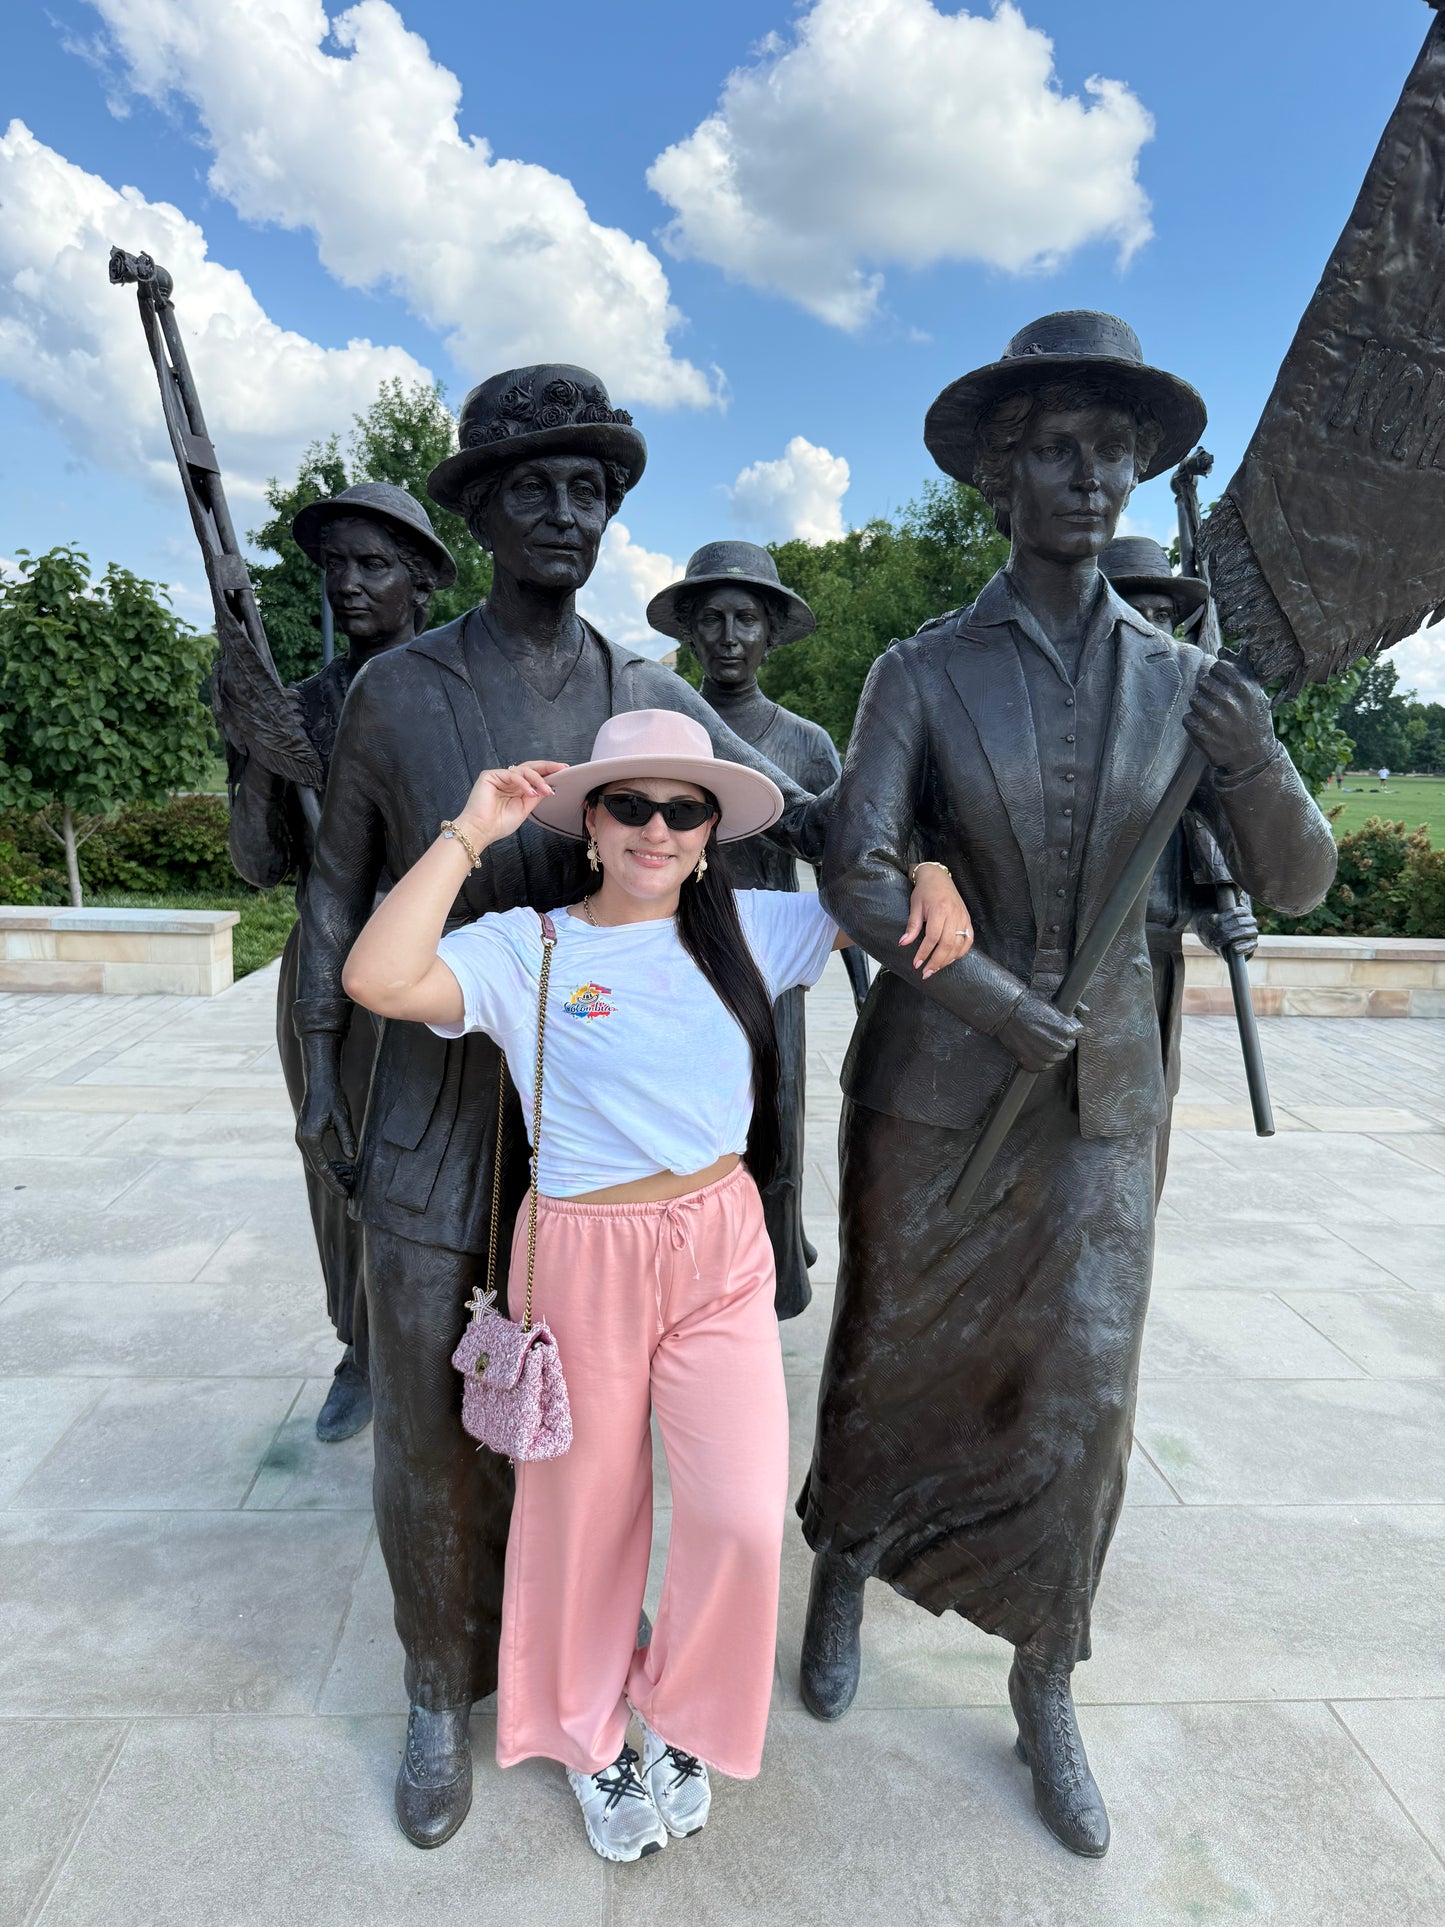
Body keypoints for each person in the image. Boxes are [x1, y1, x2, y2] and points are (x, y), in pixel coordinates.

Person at [292, 365, 970, 1848]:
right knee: (430, 1410)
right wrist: (323, 1101)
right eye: (531, 484)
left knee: (602, 1463)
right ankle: (433, 1681)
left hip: (623, 1148)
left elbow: (809, 856)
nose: (563, 510)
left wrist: (916, 858)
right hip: (437, 1103)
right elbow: (334, 901)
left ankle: (614, 1685)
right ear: (477, 509)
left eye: (588, 487)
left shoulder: (647, 699)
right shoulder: (395, 690)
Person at [797, 311, 1338, 1859]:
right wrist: (980, 991)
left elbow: (1294, 883)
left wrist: (1260, 760)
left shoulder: (1189, 681)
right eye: (1058, 449)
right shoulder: (922, 667)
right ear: (997, 475)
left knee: (1083, 1394)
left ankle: (1046, 1671)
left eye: (1116, 452)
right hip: (941, 1087)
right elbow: (857, 869)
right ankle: (847, 1557)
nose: (1091, 476)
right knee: (891, 1348)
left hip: (1105, 1100)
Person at [228, 482, 455, 1440]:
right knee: (338, 1161)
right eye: (336, 567)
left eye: (375, 565)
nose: (349, 586)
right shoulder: (302, 709)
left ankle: (452, 1342)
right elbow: (259, 862)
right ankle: (361, 1348)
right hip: (324, 968)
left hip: (442, 963)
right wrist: (252, 752)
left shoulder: (451, 691)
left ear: (420, 582)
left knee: (453, 1161)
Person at [649, 542, 872, 1318]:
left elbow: (846, 857)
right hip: (676, 962)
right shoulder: (666, 727)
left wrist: (859, 973)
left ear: (772, 633)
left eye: (747, 618)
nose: (729, 634)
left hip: (772, 960)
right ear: (688, 633)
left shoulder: (806, 742)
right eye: (710, 619)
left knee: (771, 1125)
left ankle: (779, 1277)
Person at [1097, 535, 1259, 1196]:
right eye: (1136, 612)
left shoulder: (1186, 727)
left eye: (1165, 615)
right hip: (1063, 969)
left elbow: (1204, 848)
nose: (1153, 630)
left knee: (1138, 1157)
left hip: (1153, 965)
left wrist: (1219, 913)